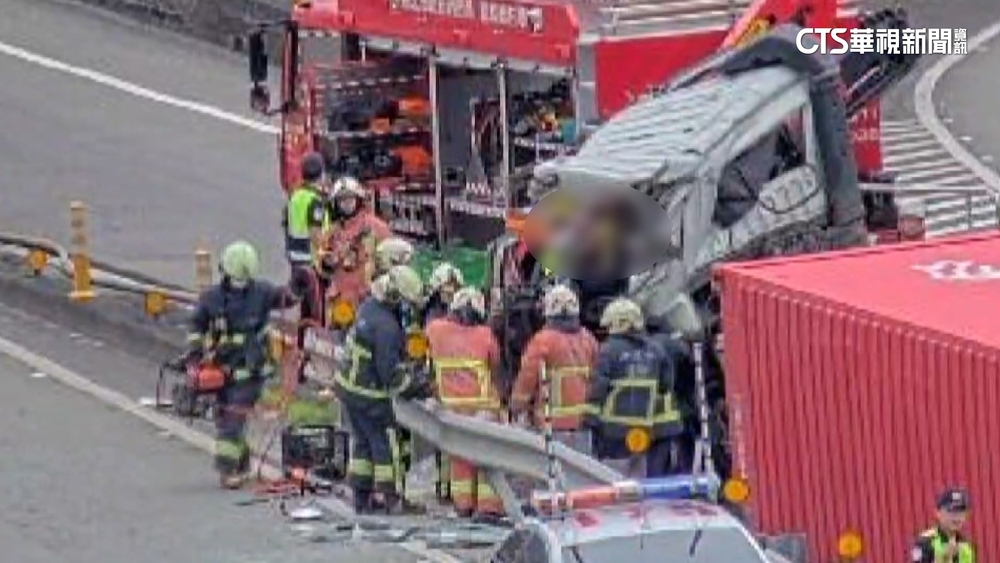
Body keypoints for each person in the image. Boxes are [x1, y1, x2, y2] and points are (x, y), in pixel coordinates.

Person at [186, 241, 298, 488]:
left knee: (233, 418)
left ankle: (226, 471)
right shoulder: (211, 299)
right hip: (222, 370)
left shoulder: (262, 292)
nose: (240, 285)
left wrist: (299, 285)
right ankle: (242, 463)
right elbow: (196, 326)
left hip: (251, 372)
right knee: (224, 417)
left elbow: (286, 298)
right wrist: (195, 355)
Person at [336, 265, 428, 513]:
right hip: (370, 395)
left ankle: (361, 498)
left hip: (348, 389)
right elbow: (391, 376)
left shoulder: (368, 308)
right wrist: (420, 386)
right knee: (386, 444)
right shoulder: (387, 327)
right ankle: (393, 499)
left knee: (362, 444)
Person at [425, 287, 504, 518]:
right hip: (484, 408)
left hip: (450, 408)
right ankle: (488, 507)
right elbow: (496, 365)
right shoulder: (485, 335)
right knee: (487, 456)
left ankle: (463, 505)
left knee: (459, 457)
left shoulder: (435, 330)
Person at [583, 298, 682, 478]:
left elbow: (598, 388)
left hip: (613, 432)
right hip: (644, 429)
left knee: (612, 478)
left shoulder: (608, 350)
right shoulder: (656, 350)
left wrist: (589, 419)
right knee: (641, 477)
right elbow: (666, 385)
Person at [511, 284, 599, 454]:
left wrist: (516, 406)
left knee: (554, 474)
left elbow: (527, 380)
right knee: (581, 475)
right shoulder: (589, 339)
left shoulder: (542, 341)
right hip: (583, 425)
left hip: (552, 425)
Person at [321, 176, 392, 312]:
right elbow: (322, 262)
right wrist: (328, 262)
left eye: (349, 199)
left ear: (358, 199)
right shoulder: (332, 233)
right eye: (342, 200)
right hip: (341, 303)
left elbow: (393, 256)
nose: (346, 204)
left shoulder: (376, 227)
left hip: (369, 299)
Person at [284, 152, 329, 326]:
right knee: (317, 310)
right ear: (321, 174)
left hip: (295, 259)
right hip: (311, 263)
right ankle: (314, 343)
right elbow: (315, 232)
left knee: (303, 306)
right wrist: (325, 256)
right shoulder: (315, 201)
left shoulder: (295, 196)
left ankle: (302, 341)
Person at [912, 488, 976, 563]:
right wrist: (943, 559)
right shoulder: (925, 542)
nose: (957, 517)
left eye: (961, 511)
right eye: (951, 511)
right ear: (938, 513)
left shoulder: (967, 546)